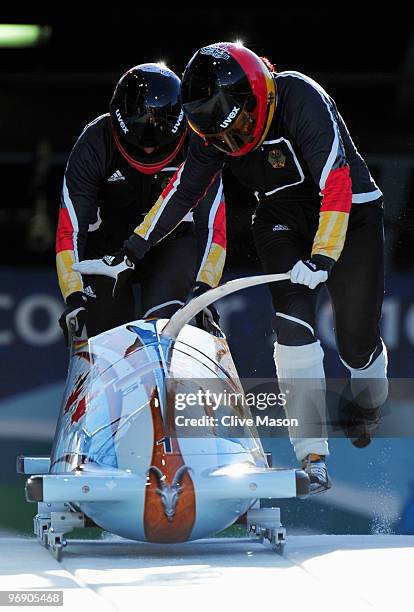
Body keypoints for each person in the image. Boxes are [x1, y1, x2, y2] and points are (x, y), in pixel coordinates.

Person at [74, 43, 389, 493]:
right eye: (217, 137)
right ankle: (313, 455)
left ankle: (371, 396)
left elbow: (334, 178)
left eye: (237, 128)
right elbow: (184, 192)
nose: (231, 143)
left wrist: (323, 254)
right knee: (293, 325)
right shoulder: (212, 139)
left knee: (355, 342)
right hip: (280, 219)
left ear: (258, 98)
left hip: (349, 213)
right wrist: (132, 249)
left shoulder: (302, 97)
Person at [56, 62, 225, 345]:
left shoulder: (198, 146)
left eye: (159, 142)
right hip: (107, 253)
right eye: (139, 138)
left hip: (170, 245)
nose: (149, 148)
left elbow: (212, 226)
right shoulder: (94, 143)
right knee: (108, 337)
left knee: (162, 327)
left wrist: (204, 290)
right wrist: (75, 296)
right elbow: (70, 228)